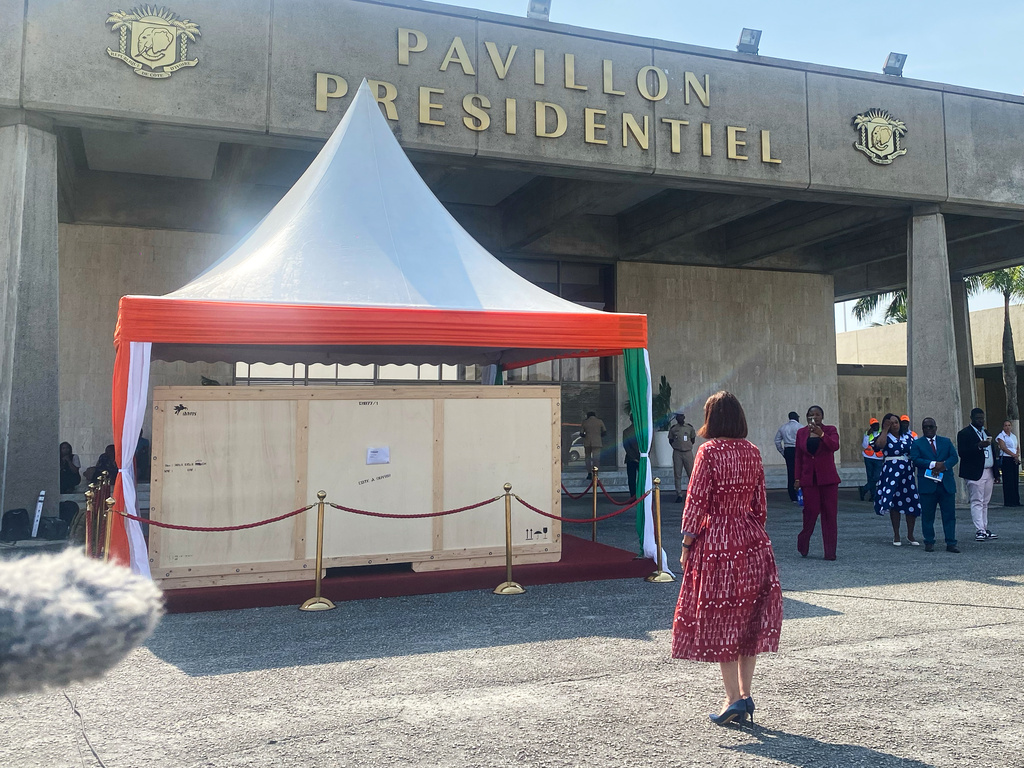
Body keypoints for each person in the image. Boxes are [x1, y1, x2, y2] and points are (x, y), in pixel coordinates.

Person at [672, 391, 782, 727]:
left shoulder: (708, 452)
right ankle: (745, 694)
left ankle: (733, 698)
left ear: (712, 418)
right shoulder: (752, 451)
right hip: (751, 539)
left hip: (718, 538)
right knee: (749, 618)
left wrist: (687, 543)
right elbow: (760, 504)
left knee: (723, 619)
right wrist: (752, 532)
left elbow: (696, 501)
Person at [794, 406, 841, 560]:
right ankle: (803, 541)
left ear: (822, 416)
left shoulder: (830, 430)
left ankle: (830, 552)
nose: (814, 417)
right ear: (806, 417)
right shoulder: (801, 433)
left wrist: (821, 434)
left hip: (828, 480)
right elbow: (798, 457)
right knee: (810, 512)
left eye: (817, 414)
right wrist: (797, 478)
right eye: (811, 414)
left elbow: (834, 446)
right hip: (809, 480)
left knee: (829, 516)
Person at [910, 418, 960, 553]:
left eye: (931, 427)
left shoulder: (946, 441)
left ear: (936, 428)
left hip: (946, 484)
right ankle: (929, 542)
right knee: (927, 515)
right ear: (922, 429)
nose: (928, 430)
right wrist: (933, 464)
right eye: (925, 427)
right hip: (927, 485)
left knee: (949, 515)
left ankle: (951, 542)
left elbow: (954, 457)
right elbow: (914, 460)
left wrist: (944, 466)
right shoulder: (917, 444)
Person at [873, 413, 922, 546]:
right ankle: (896, 535)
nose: (894, 425)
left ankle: (911, 535)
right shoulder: (885, 437)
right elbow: (879, 446)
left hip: (907, 472)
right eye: (890, 423)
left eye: (896, 422)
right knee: (894, 502)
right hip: (891, 473)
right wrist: (884, 430)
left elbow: (915, 450)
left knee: (910, 500)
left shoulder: (908, 436)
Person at [957, 408, 999, 541]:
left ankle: (985, 528)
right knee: (976, 501)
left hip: (989, 471)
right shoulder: (964, 433)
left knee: (985, 502)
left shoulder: (986, 432)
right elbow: (962, 452)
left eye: (982, 418)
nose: (980, 420)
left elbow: (992, 452)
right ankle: (979, 530)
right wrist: (978, 446)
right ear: (971, 418)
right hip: (974, 472)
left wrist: (996, 473)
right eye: (978, 418)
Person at [668, 411, 696, 503]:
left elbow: (692, 439)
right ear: (676, 418)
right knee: (677, 473)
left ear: (684, 417)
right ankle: (679, 494)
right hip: (677, 453)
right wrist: (677, 446)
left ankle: (693, 493)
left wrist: (686, 446)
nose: (680, 418)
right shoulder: (673, 429)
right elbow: (671, 440)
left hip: (687, 452)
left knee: (691, 473)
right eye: (678, 417)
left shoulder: (689, 428)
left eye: (681, 417)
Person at [774, 412, 801, 503]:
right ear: (796, 417)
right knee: (800, 471)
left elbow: (777, 441)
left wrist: (782, 451)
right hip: (798, 450)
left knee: (790, 472)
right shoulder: (800, 427)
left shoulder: (783, 427)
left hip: (788, 450)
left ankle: (792, 496)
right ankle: (800, 493)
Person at [996, 420, 1020, 507]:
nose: (1007, 427)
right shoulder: (1001, 436)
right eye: (1005, 425)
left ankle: (1016, 500)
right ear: (1003, 427)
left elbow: (1017, 447)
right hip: (1007, 458)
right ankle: (1009, 501)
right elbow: (1003, 447)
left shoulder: (1013, 436)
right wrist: (1013, 454)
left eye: (1009, 425)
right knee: (1008, 480)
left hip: (1014, 458)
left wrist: (1017, 455)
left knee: (1014, 479)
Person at [859, 418, 883, 502]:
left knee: (876, 476)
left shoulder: (882, 433)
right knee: (870, 477)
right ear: (871, 426)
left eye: (876, 424)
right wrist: (867, 435)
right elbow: (865, 446)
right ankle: (873, 496)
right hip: (868, 457)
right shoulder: (868, 433)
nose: (875, 426)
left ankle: (864, 489)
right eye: (873, 425)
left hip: (879, 458)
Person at [580, 411, 606, 479]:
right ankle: (596, 473)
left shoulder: (585, 422)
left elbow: (581, 433)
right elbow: (604, 432)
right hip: (597, 442)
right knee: (596, 459)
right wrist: (598, 435)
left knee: (587, 458)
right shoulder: (599, 421)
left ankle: (589, 473)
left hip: (587, 442)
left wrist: (586, 435)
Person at [622, 417, 641, 500]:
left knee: (632, 479)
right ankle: (642, 495)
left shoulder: (626, 431)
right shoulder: (643, 430)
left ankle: (633, 496)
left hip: (631, 458)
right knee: (642, 478)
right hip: (640, 457)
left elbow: (626, 446)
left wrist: (633, 456)